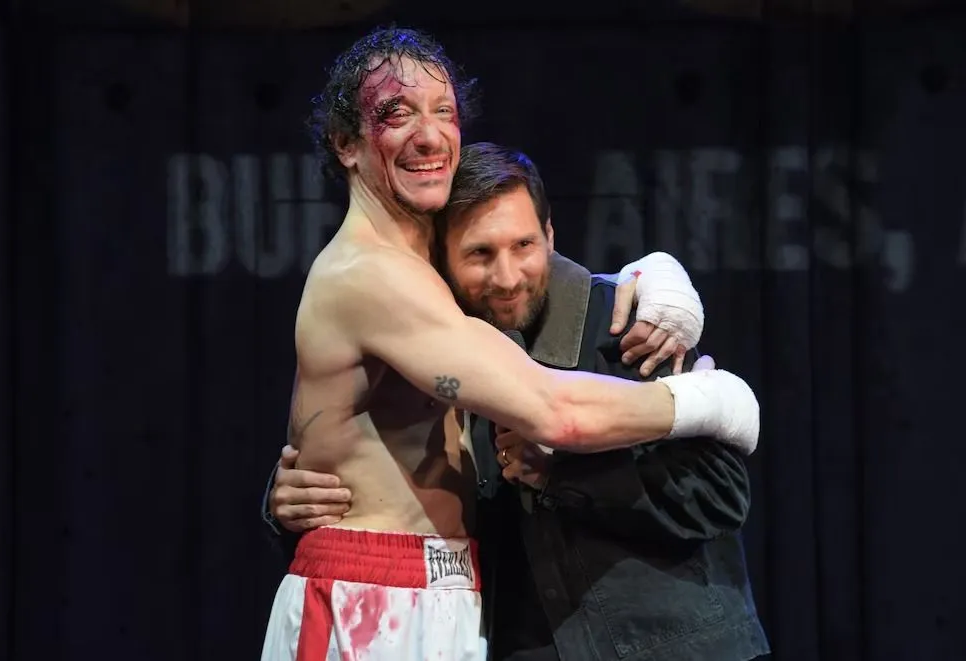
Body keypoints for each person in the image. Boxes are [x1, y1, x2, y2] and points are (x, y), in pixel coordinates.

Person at [260, 26, 760, 661]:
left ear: (550, 236)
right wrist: (719, 401)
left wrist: (652, 270)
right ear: (346, 143)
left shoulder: (618, 320)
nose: (428, 133)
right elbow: (556, 410)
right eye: (396, 114)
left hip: (475, 604)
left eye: (443, 111)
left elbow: (721, 494)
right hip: (374, 596)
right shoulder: (370, 276)